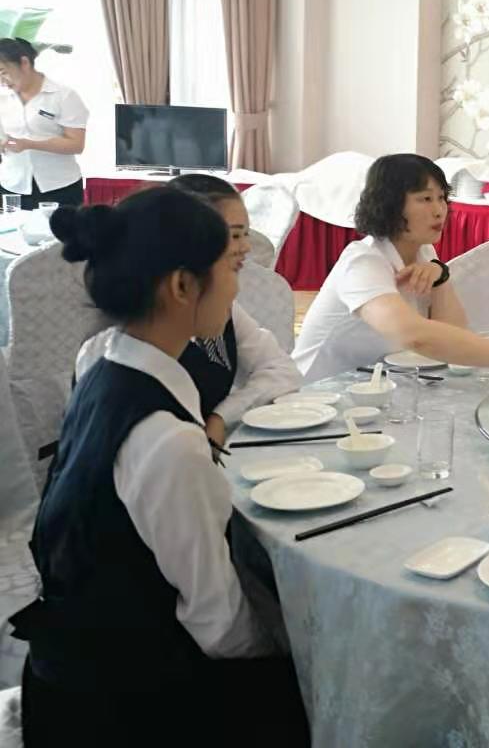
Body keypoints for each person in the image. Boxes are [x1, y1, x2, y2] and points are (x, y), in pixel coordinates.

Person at [9, 189, 308, 745]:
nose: (238, 286)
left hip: (73, 663)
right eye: (229, 268)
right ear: (182, 286)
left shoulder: (102, 363)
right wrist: (303, 654)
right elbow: (220, 627)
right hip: (120, 702)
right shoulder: (169, 441)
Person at [292, 153, 489, 381]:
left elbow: (453, 336)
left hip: (372, 386)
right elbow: (413, 335)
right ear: (389, 204)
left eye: (442, 198)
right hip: (312, 396)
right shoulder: (363, 262)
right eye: (425, 199)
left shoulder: (423, 251)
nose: (439, 210)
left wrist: (441, 278)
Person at [74, 174, 299, 445]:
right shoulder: (117, 353)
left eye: (245, 234)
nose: (246, 248)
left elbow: (281, 370)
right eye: (233, 235)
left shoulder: (213, 312)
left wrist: (220, 417)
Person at [0, 37, 88, 209]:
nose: (2, 80)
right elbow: (4, 139)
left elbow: (76, 145)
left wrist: (29, 144)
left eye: (3, 72)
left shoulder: (63, 96)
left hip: (60, 186)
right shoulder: (2, 98)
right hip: (12, 185)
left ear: (24, 63)